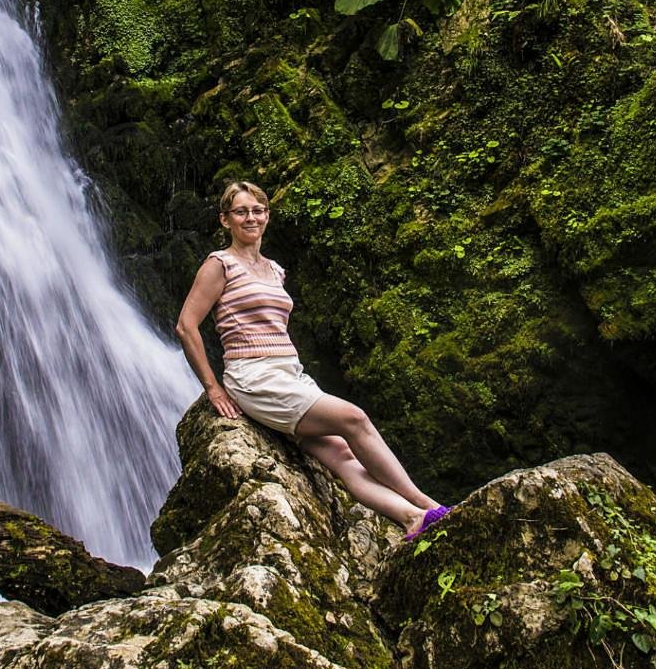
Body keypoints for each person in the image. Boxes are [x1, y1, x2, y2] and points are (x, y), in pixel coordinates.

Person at [175, 180, 450, 540]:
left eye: (257, 210)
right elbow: (186, 325)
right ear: (225, 220)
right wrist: (213, 389)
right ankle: (429, 506)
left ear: (267, 216)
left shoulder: (275, 270)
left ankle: (411, 518)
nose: (251, 217)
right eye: (241, 211)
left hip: (291, 372)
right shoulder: (220, 265)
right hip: (254, 377)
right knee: (355, 418)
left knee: (342, 453)